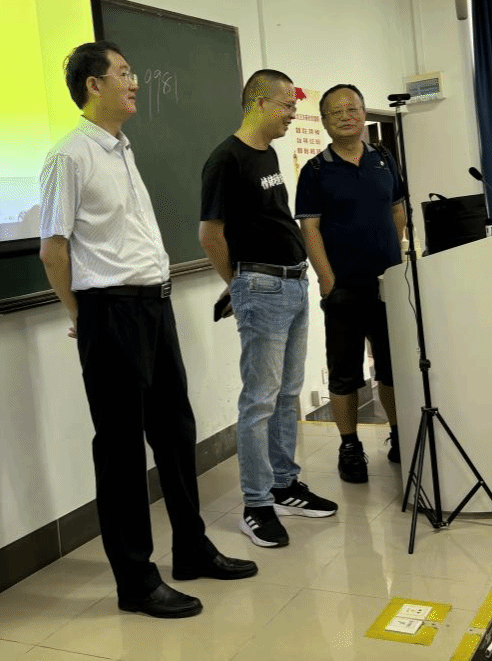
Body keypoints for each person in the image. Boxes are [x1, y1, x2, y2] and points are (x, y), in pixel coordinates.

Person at [38, 41, 256, 620]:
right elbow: (54, 249)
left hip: (154, 308)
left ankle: (192, 548)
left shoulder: (121, 149)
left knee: (176, 431)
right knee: (120, 450)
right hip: (110, 312)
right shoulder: (70, 156)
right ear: (93, 85)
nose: (134, 82)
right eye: (124, 73)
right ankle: (135, 580)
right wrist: (81, 315)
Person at [199, 69, 339, 549]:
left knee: (286, 394)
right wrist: (238, 286)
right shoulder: (226, 159)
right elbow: (210, 234)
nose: (292, 114)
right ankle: (256, 504)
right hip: (261, 287)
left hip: (292, 284)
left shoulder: (269, 154)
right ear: (258, 103)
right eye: (286, 105)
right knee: (259, 400)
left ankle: (283, 485)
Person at [294, 84, 406, 483]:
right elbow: (310, 229)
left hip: (387, 287)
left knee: (392, 369)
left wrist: (393, 263)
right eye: (336, 112)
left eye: (353, 109)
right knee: (344, 374)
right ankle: (350, 446)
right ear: (324, 121)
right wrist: (328, 282)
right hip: (343, 289)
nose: (346, 116)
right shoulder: (315, 171)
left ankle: (399, 435)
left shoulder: (384, 159)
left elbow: (397, 211)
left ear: (363, 113)